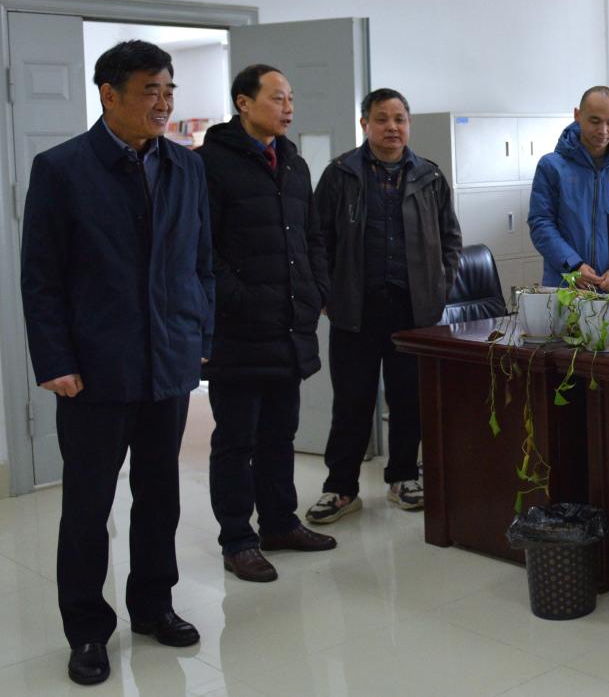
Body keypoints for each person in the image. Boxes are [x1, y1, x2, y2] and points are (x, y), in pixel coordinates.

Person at [20, 40, 214, 686]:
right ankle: (86, 629)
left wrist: (200, 332)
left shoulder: (187, 167)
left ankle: (154, 605)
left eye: (169, 89)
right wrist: (55, 358)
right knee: (87, 506)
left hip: (168, 360)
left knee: (160, 496)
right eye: (150, 90)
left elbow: (201, 263)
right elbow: (41, 277)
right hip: (94, 371)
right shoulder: (62, 169)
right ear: (109, 94)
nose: (163, 102)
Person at [197, 64, 335, 583]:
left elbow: (312, 237)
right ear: (243, 103)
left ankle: (280, 523)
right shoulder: (209, 164)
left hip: (289, 326)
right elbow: (202, 249)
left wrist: (316, 289)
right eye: (277, 98)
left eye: (291, 98)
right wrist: (244, 298)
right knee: (237, 440)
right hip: (237, 330)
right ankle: (238, 539)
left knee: (280, 434)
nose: (288, 108)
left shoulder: (294, 163)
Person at [305, 88, 461, 523]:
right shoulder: (341, 174)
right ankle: (340, 488)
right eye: (382, 119)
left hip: (413, 310)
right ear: (365, 125)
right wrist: (325, 293)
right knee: (351, 402)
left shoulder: (429, 176)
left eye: (399, 119)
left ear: (408, 125)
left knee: (409, 399)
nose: (392, 127)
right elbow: (318, 239)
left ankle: (403, 478)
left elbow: (450, 239)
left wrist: (440, 287)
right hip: (354, 309)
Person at [528, 86, 609, 290]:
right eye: (595, 121)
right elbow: (541, 223)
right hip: (565, 284)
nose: (603, 130)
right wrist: (573, 265)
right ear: (577, 115)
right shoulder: (551, 166)